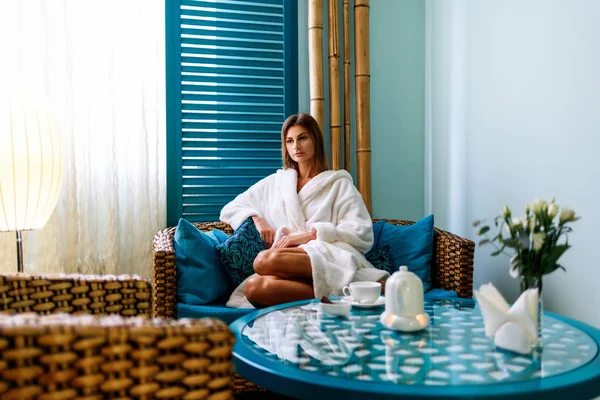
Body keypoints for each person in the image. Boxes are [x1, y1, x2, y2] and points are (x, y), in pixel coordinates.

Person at [220, 113, 388, 308]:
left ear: (315, 140)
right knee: (253, 288)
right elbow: (229, 209)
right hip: (290, 265)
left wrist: (309, 236)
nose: (296, 147)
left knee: (264, 260)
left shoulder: (338, 184)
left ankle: (342, 286)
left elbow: (362, 233)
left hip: (329, 255)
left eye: (302, 138)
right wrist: (257, 218)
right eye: (290, 141)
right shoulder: (277, 183)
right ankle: (340, 295)